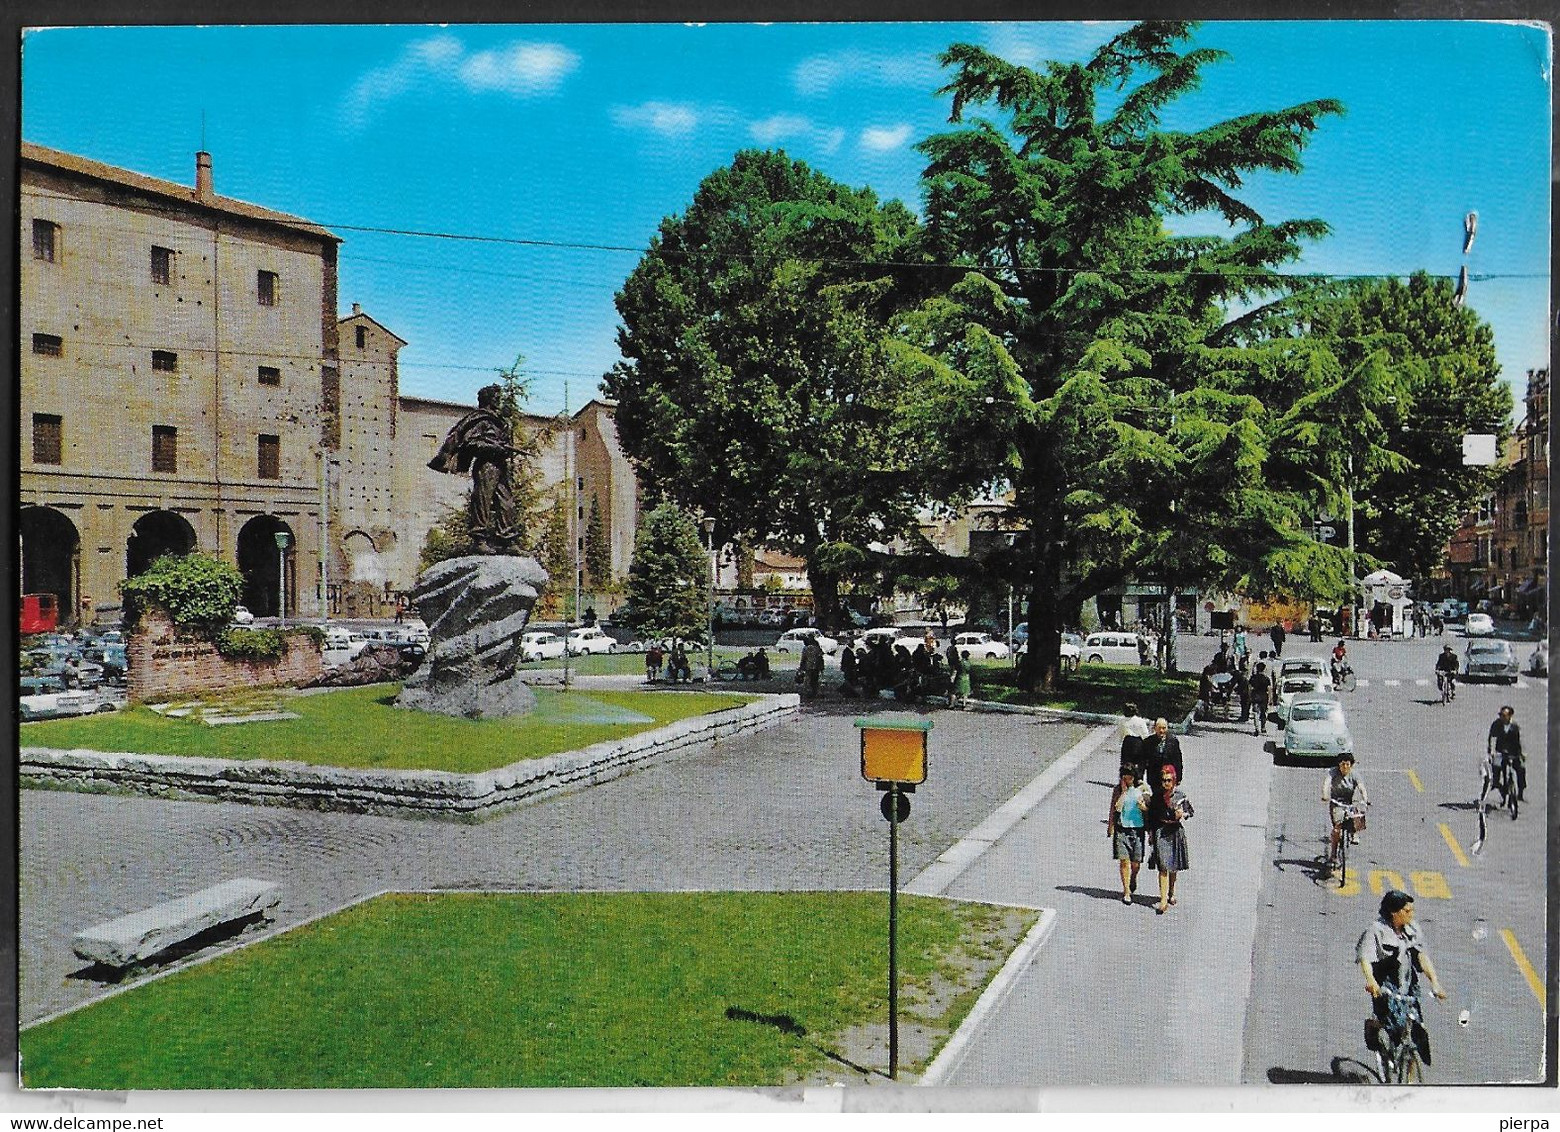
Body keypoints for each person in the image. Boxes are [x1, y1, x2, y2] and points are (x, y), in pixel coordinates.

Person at [426, 383, 522, 555]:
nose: (499, 401)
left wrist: (505, 449)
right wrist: (493, 448)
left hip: (500, 465)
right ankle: (479, 539)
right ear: (488, 399)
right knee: (482, 500)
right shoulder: (481, 420)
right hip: (486, 465)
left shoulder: (497, 422)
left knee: (507, 503)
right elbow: (469, 443)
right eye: (496, 398)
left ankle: (507, 540)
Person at [1357, 890, 1448, 1059]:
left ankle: (1409, 1076)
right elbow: (1365, 958)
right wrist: (1371, 981)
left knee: (1416, 1026)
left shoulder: (1412, 928)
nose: (1411, 915)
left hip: (1407, 980)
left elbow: (1421, 956)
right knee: (1393, 1024)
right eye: (1407, 911)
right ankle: (1374, 1025)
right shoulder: (1376, 930)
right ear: (1394, 912)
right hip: (1386, 982)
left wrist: (1435, 982)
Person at [1146, 764, 1194, 914]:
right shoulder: (1157, 797)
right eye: (1163, 780)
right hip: (1161, 831)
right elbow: (1152, 817)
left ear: (1174, 781)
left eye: (1168, 780)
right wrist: (1151, 834)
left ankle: (1171, 892)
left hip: (1175, 831)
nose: (1166, 783)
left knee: (1173, 866)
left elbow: (1190, 811)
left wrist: (1183, 814)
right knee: (1163, 866)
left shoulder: (1180, 796)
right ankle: (1162, 900)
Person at [1107, 764, 1151, 905]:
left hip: (1138, 829)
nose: (1128, 778)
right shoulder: (1118, 790)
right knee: (1124, 861)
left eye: (1130, 776)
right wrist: (1110, 826)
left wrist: (1150, 830)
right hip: (1122, 828)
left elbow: (1149, 809)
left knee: (1136, 863)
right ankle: (1126, 891)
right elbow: (1115, 807)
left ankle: (1133, 878)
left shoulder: (1142, 789)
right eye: (1125, 775)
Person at [1323, 753, 1369, 868]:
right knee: (1337, 829)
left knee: (1358, 813)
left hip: (1350, 801)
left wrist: (1365, 799)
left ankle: (1354, 833)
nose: (1345, 767)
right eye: (1342, 764)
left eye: (1347, 764)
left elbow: (1361, 787)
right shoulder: (1333, 772)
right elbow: (1327, 783)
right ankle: (1333, 855)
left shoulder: (1355, 775)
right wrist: (1325, 794)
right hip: (1337, 802)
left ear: (1351, 765)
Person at [1486, 705, 1526, 801]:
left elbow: (1519, 741)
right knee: (1496, 770)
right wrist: (1491, 751)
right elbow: (1492, 738)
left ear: (1510, 716)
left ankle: (1520, 792)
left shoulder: (1515, 727)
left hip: (1513, 752)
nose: (1502, 717)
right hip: (1500, 752)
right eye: (1501, 715)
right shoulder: (1496, 725)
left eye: (1504, 715)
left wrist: (1522, 754)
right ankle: (1499, 787)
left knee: (1521, 769)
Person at [1138, 717, 1183, 783]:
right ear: (1155, 728)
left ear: (1167, 728)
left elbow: (1177, 760)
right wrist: (1139, 777)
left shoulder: (1173, 741)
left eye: (1164, 728)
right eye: (1159, 728)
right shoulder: (1148, 742)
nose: (1161, 730)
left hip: (1168, 777)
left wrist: (1179, 777)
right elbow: (1142, 761)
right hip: (1153, 777)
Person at [1119, 702, 1151, 767]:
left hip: (1127, 744)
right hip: (1138, 744)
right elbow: (1145, 735)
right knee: (1139, 765)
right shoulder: (1140, 721)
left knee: (1126, 766)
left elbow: (1121, 734)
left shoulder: (1122, 721)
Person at [1248, 662, 1273, 735]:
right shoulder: (1266, 679)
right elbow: (1269, 689)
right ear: (1264, 669)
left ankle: (1257, 729)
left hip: (1255, 696)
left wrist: (1249, 697)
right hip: (1264, 697)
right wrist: (1270, 699)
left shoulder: (1253, 678)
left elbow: (1249, 688)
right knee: (1263, 713)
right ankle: (1263, 727)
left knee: (1256, 713)